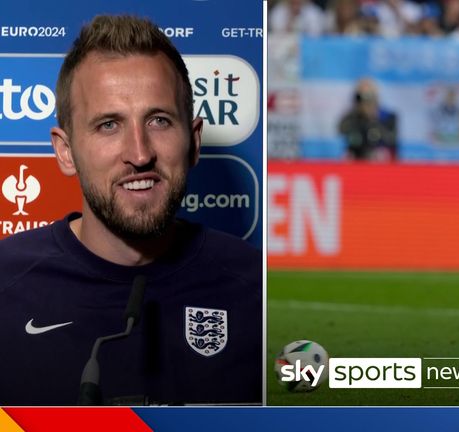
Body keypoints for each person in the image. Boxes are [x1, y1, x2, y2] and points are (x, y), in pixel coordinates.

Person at [0, 15, 262, 405]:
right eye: (108, 125)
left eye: (159, 120)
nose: (139, 154)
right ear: (65, 151)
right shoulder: (7, 285)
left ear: (193, 142)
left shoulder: (259, 287)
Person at [338, 78, 398, 161]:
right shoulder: (352, 116)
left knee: (381, 155)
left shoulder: (388, 116)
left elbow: (391, 139)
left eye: (369, 96)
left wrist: (373, 118)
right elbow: (341, 130)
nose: (365, 101)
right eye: (362, 96)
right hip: (356, 156)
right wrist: (357, 114)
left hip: (379, 157)